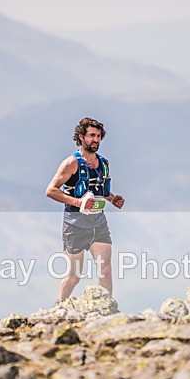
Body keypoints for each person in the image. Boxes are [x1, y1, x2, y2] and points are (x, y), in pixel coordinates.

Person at [45, 117, 125, 303]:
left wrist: (113, 198)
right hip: (75, 225)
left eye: (98, 136)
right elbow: (51, 190)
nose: (95, 140)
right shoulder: (71, 163)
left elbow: (100, 190)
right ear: (81, 137)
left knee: (105, 270)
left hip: (98, 223)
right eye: (91, 135)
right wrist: (78, 202)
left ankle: (104, 312)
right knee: (74, 277)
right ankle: (58, 309)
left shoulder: (103, 163)